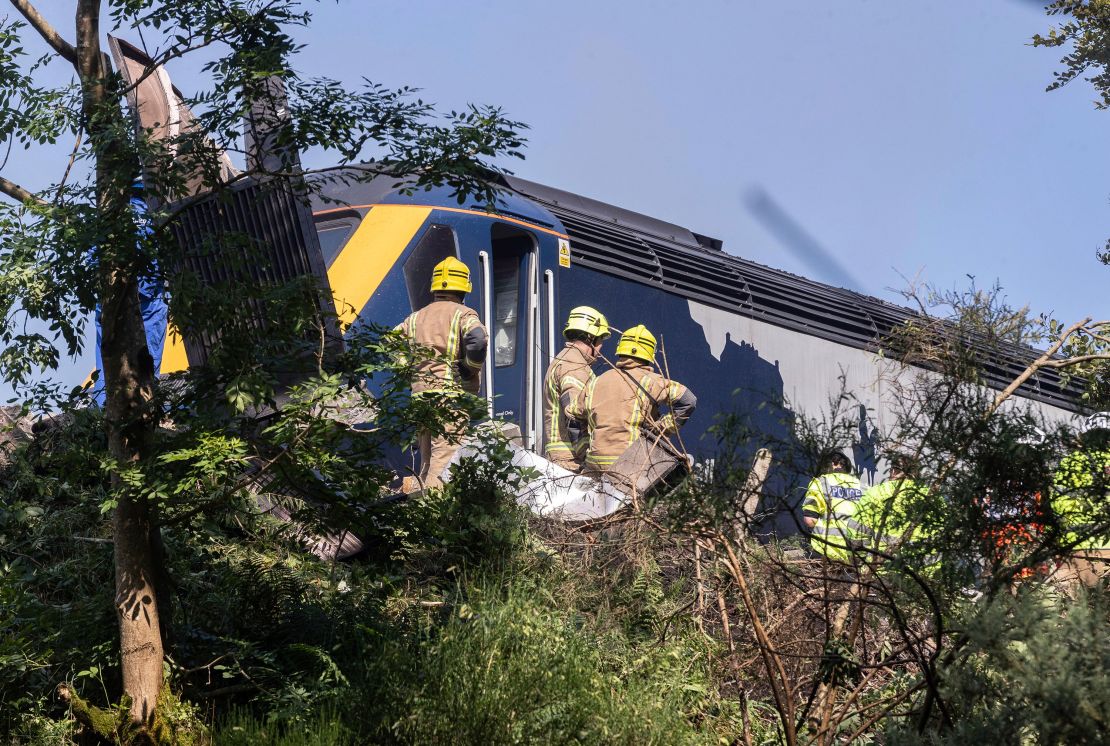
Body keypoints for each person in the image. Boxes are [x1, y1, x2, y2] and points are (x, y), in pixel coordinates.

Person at [398, 256, 488, 489]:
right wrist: (469, 368)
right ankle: (435, 514)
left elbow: (390, 341)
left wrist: (406, 369)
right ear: (464, 288)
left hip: (420, 397)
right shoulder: (463, 314)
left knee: (427, 459)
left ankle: (419, 506)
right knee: (445, 458)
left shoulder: (416, 317)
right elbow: (477, 340)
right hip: (449, 397)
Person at [568, 324, 696, 473]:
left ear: (621, 349)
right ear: (650, 354)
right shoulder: (651, 381)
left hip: (594, 466)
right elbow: (688, 400)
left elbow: (572, 415)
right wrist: (660, 429)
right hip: (630, 466)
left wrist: (583, 451)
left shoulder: (596, 382)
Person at [542, 306, 610, 472]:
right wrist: (588, 457)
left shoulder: (565, 359)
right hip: (571, 462)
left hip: (563, 459)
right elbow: (573, 416)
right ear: (590, 337)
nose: (600, 351)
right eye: (600, 341)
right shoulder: (574, 366)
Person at [1051, 412, 1110, 588]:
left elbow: (1056, 507)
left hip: (1075, 552)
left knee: (1076, 612)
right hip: (1107, 552)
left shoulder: (1068, 463)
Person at [856, 452, 937, 571]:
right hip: (923, 577)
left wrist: (859, 563)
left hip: (881, 572)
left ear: (893, 471)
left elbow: (856, 534)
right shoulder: (932, 498)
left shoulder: (876, 494)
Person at [801, 451, 864, 563]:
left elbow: (810, 520)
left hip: (825, 549)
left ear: (833, 464)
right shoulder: (862, 486)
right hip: (854, 552)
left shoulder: (821, 482)